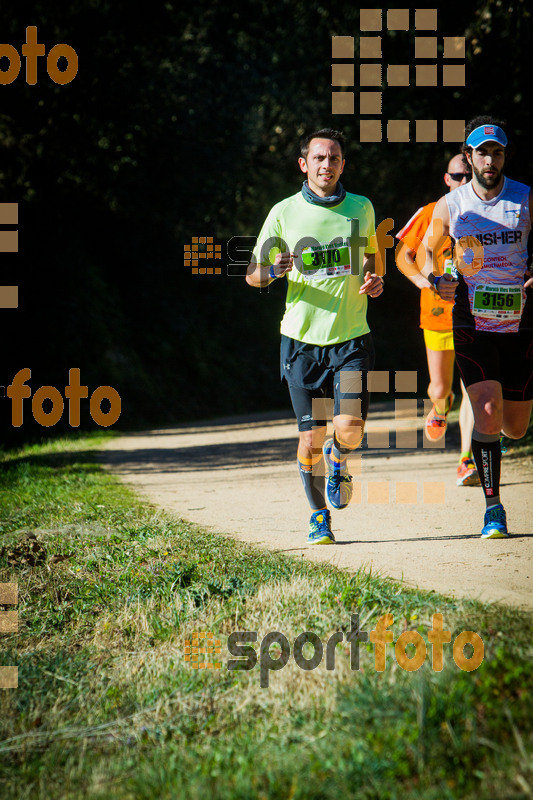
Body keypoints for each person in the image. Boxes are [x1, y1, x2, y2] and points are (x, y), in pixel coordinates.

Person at [245, 128, 383, 544]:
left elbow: (373, 259)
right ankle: (319, 516)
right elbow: (253, 274)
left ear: (343, 164)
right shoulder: (284, 212)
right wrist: (275, 270)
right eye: (319, 158)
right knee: (310, 436)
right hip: (301, 343)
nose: (328, 165)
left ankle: (339, 460)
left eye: (335, 158)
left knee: (350, 428)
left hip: (352, 339)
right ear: (304, 164)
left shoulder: (361, 207)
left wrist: (376, 281)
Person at [420, 116, 533, 538]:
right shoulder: (451, 205)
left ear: (505, 156)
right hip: (471, 320)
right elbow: (427, 254)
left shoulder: (524, 198)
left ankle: (498, 440)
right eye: (482, 152)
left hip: (521, 320)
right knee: (486, 411)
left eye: (497, 152)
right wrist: (437, 279)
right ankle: (494, 507)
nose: (490, 159)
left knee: (515, 426)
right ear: (469, 157)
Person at [396, 155, 480, 486]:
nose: (464, 181)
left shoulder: (487, 214)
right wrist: (424, 283)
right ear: (447, 178)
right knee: (441, 387)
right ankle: (440, 406)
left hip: (477, 315)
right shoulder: (431, 211)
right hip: (437, 315)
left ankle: (466, 461)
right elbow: (404, 256)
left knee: (473, 387)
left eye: (469, 175)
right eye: (459, 175)